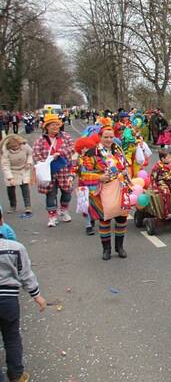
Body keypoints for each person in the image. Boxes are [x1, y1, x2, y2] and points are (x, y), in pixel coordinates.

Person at [0, 205, 47, 382]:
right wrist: (37, 296)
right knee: (11, 337)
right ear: (1, 221)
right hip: (9, 302)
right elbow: (26, 274)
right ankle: (16, 375)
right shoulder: (15, 248)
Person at [77, 126, 131, 260]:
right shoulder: (91, 153)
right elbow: (83, 173)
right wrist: (99, 177)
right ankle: (106, 249)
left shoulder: (117, 150)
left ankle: (120, 247)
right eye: (105, 137)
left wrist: (125, 173)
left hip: (119, 187)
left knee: (121, 218)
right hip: (101, 190)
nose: (108, 140)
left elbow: (124, 165)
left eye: (111, 137)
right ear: (100, 137)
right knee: (105, 219)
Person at [32, 114, 75, 228]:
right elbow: (36, 154)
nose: (55, 127)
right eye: (52, 125)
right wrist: (46, 160)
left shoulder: (66, 136)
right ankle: (52, 216)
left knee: (67, 192)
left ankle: (64, 210)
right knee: (51, 194)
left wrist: (60, 154)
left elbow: (72, 148)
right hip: (49, 172)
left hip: (64, 170)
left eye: (57, 124)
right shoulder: (41, 140)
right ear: (46, 127)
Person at [0, 135, 32, 216]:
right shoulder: (5, 151)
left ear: (19, 143)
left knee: (25, 187)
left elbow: (30, 154)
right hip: (11, 170)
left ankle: (28, 206)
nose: (15, 148)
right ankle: (13, 205)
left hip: (23, 168)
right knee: (10, 189)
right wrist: (10, 178)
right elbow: (5, 165)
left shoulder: (24, 146)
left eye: (16, 146)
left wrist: (29, 162)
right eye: (13, 147)